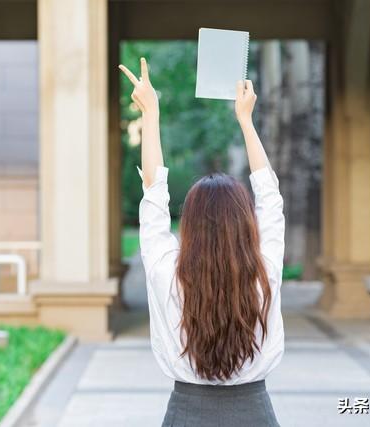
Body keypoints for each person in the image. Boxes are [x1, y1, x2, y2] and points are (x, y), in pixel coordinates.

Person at [119, 57, 285, 427]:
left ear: (190, 226)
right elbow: (270, 199)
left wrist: (151, 114)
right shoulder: (265, 274)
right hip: (255, 415)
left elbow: (153, 196)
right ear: (245, 224)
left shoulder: (167, 273)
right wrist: (246, 121)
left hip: (185, 416)